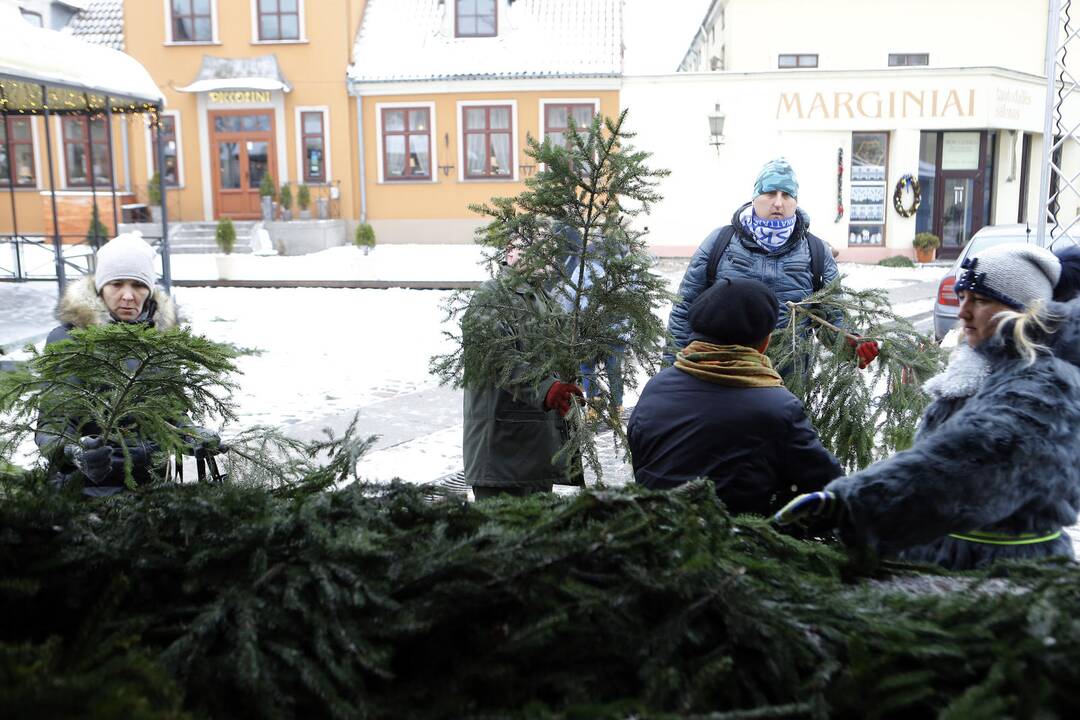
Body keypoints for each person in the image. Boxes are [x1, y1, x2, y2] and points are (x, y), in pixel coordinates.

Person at [774, 243, 1080, 569]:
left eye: (980, 300)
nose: (963, 312)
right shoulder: (977, 369)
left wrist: (855, 503)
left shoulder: (1045, 384)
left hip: (1003, 574)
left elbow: (972, 459)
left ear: (1023, 310)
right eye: (962, 297)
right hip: (951, 560)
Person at [629, 277, 842, 515]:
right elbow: (825, 483)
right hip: (736, 540)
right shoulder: (777, 407)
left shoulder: (656, 386)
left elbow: (643, 463)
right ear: (764, 343)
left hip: (653, 530)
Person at [35, 233, 215, 496]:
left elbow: (170, 415)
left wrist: (192, 434)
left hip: (153, 488)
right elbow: (53, 424)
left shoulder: (161, 340)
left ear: (150, 290)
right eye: (117, 284)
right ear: (100, 288)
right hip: (90, 493)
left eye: (138, 285)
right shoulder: (69, 340)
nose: (128, 296)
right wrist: (75, 452)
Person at [665, 157, 879, 372]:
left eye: (786, 195)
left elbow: (831, 319)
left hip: (787, 379)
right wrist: (671, 372)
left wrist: (852, 344)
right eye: (770, 193)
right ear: (755, 197)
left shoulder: (816, 251)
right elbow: (684, 309)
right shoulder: (720, 242)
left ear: (795, 201)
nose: (778, 203)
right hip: (722, 373)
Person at [462, 256, 585, 499]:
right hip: (502, 458)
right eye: (527, 237)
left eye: (543, 236)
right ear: (509, 250)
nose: (539, 246)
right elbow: (496, 356)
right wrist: (547, 389)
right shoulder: (492, 296)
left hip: (539, 456)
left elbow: (560, 359)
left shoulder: (546, 300)